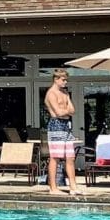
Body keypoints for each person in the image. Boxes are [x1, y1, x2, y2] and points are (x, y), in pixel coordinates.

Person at [43, 68, 82, 199]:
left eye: (66, 80)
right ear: (56, 79)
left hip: (66, 126)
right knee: (55, 157)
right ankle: (53, 187)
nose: (65, 82)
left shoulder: (65, 93)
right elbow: (59, 113)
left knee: (70, 157)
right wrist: (66, 110)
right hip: (56, 125)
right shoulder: (51, 94)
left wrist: (65, 109)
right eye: (63, 80)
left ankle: (73, 186)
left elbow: (73, 110)